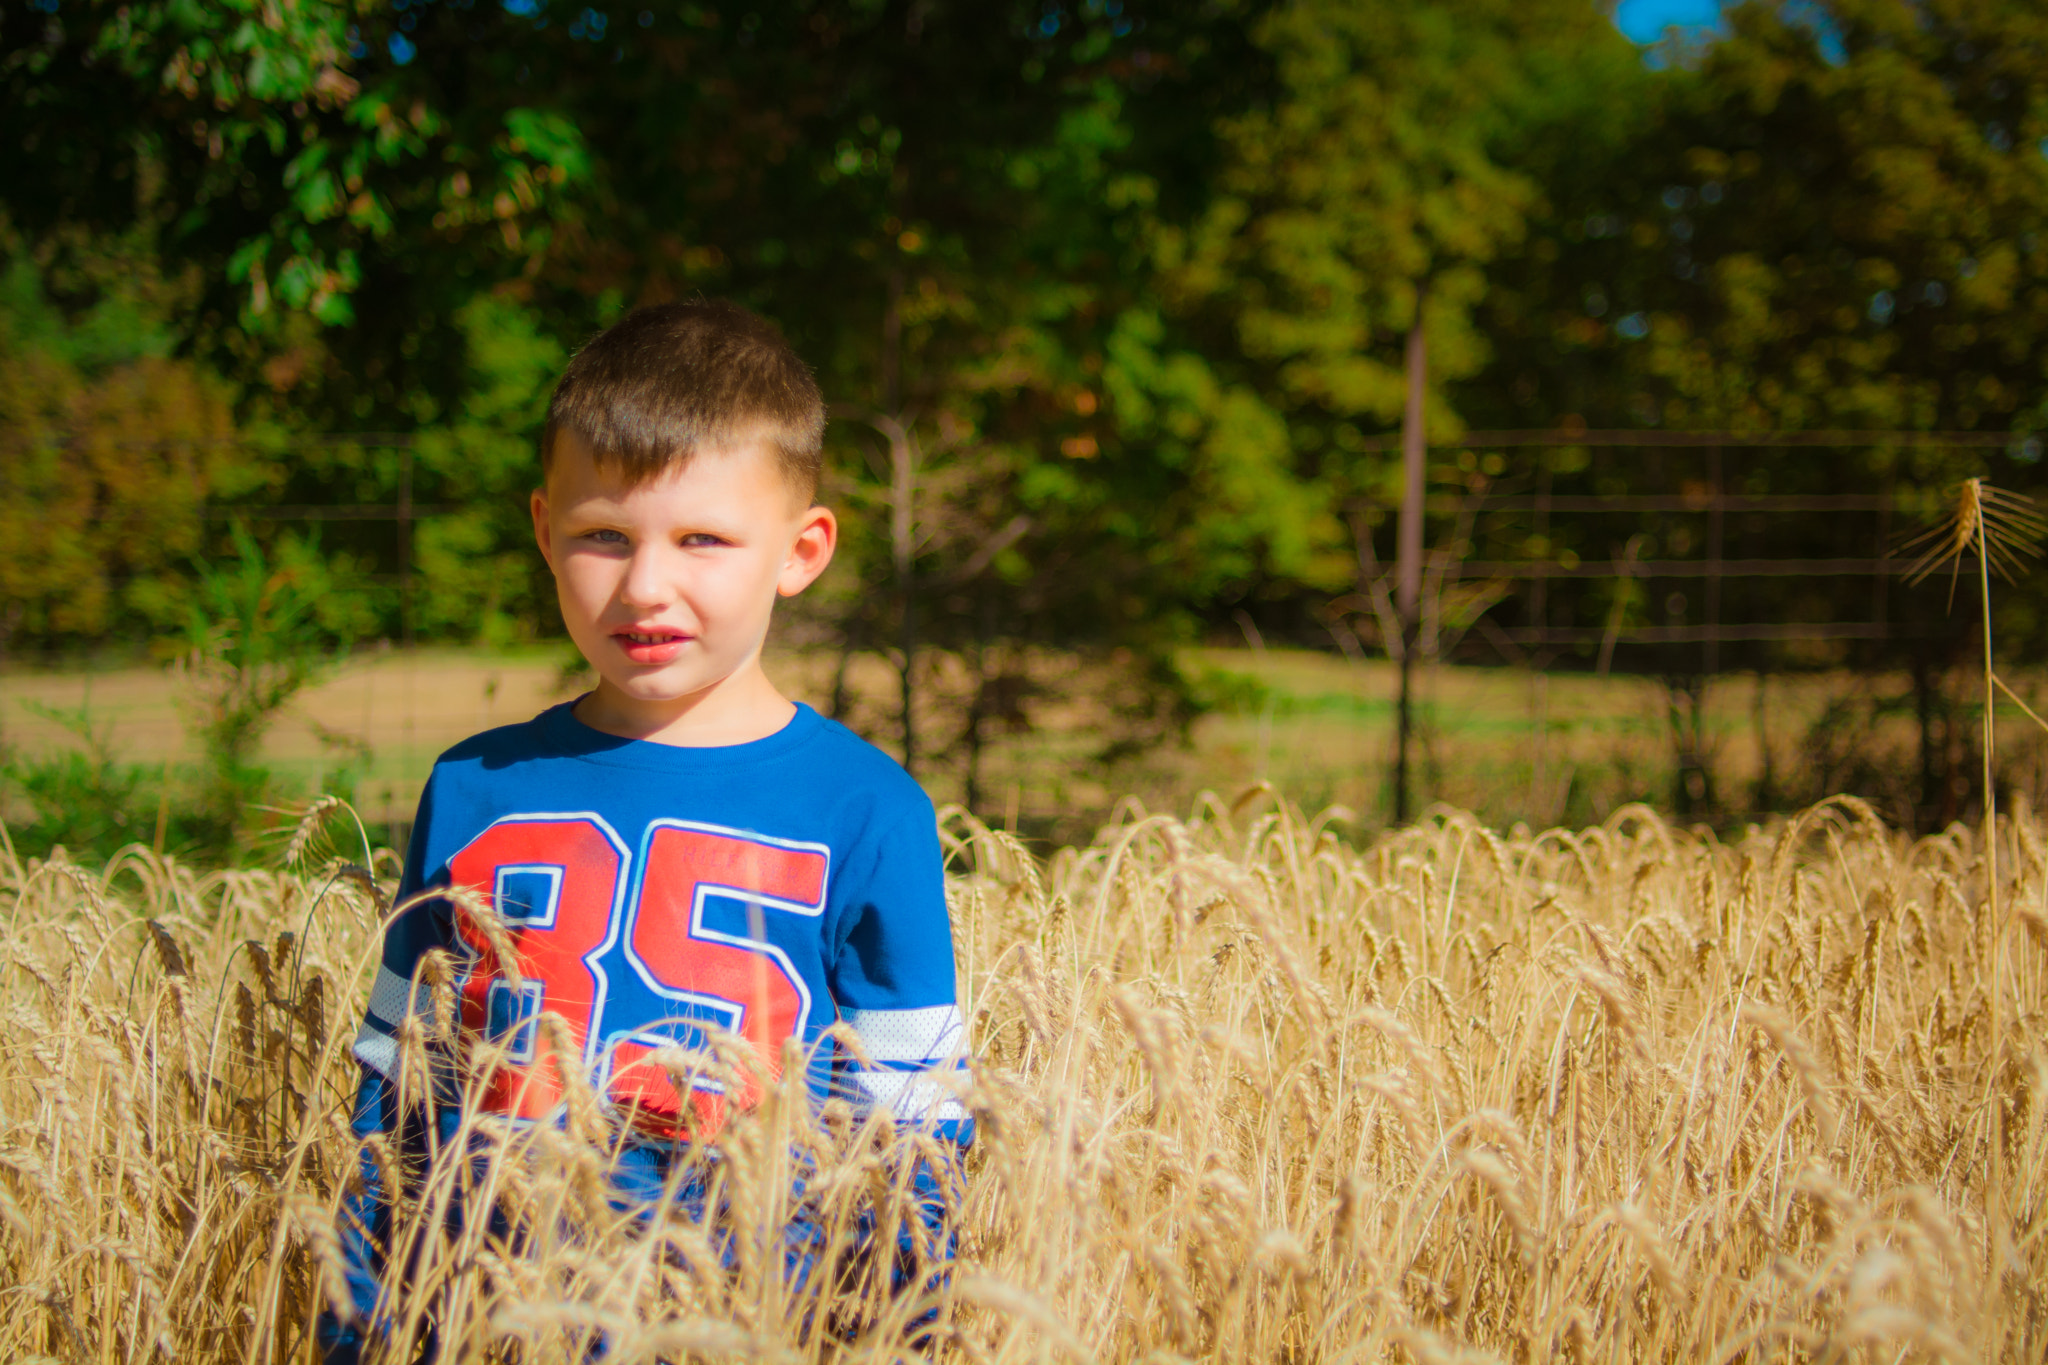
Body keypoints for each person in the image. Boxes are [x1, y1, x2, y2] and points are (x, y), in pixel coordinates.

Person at [319, 301, 970, 1363]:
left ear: (800, 551)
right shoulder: (476, 787)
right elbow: (392, 1090)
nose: (645, 585)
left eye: (702, 540)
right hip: (489, 1320)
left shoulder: (866, 807)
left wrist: (899, 1336)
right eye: (601, 538)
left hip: (745, 1325)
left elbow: (915, 1133)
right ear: (542, 531)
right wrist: (359, 1330)